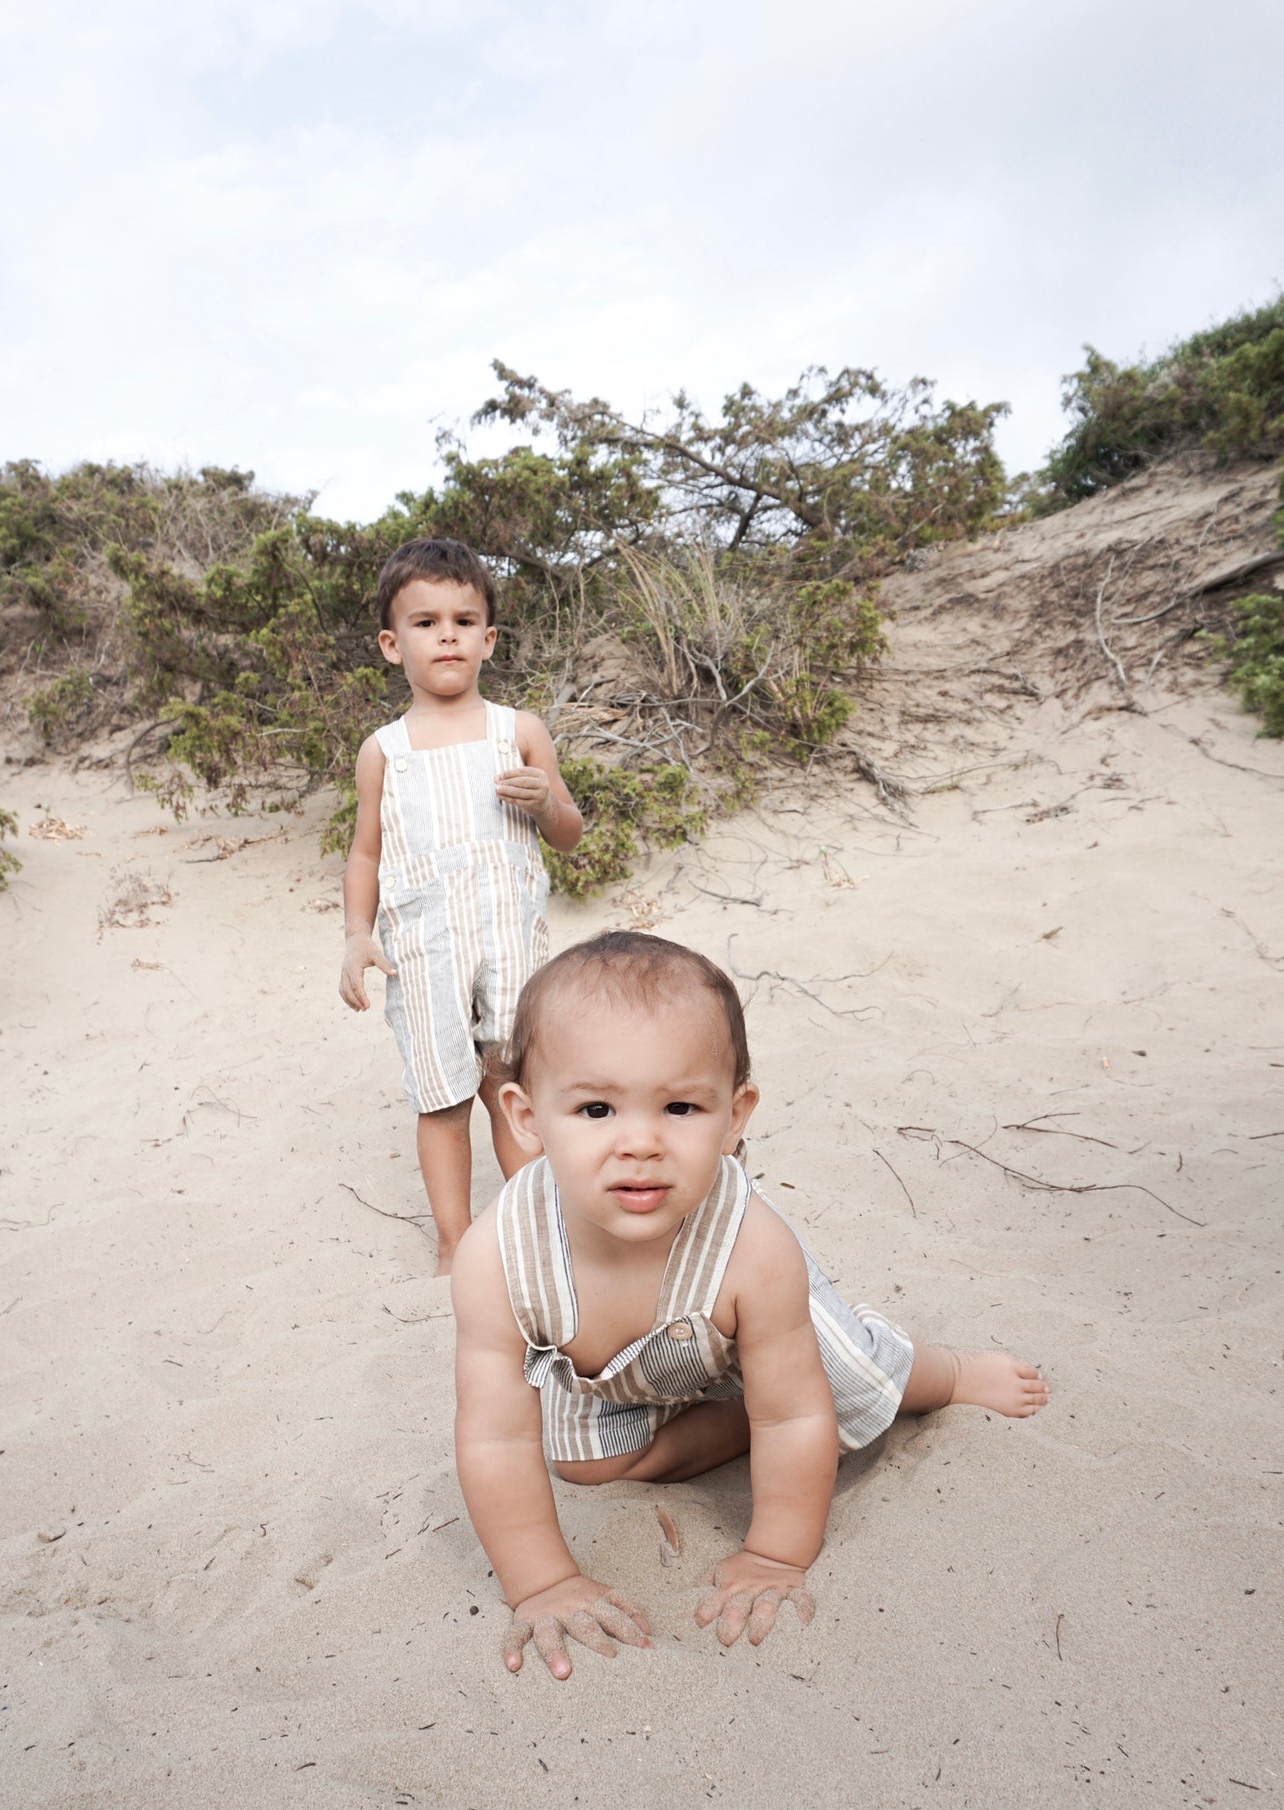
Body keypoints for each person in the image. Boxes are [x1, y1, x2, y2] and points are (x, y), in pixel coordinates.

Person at [452, 931, 1050, 1680]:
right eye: (596, 1109)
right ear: (525, 1116)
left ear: (734, 1115)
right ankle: (733, 1417)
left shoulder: (751, 1246)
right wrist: (542, 1583)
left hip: (738, 1320)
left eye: (679, 1106)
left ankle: (944, 1373)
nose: (639, 1142)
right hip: (620, 1366)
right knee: (587, 1465)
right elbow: (497, 1441)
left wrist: (773, 1553)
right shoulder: (497, 1258)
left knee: (847, 1382)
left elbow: (793, 1415)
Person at [340, 539, 583, 1271]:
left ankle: (532, 1229)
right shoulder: (385, 749)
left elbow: (568, 835)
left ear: (487, 639)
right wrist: (357, 936)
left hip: (509, 939)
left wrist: (545, 803)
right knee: (442, 1094)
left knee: (509, 1081)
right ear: (391, 644)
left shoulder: (520, 731)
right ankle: (454, 1241)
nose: (445, 634)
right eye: (424, 622)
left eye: (463, 619)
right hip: (423, 947)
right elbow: (365, 854)